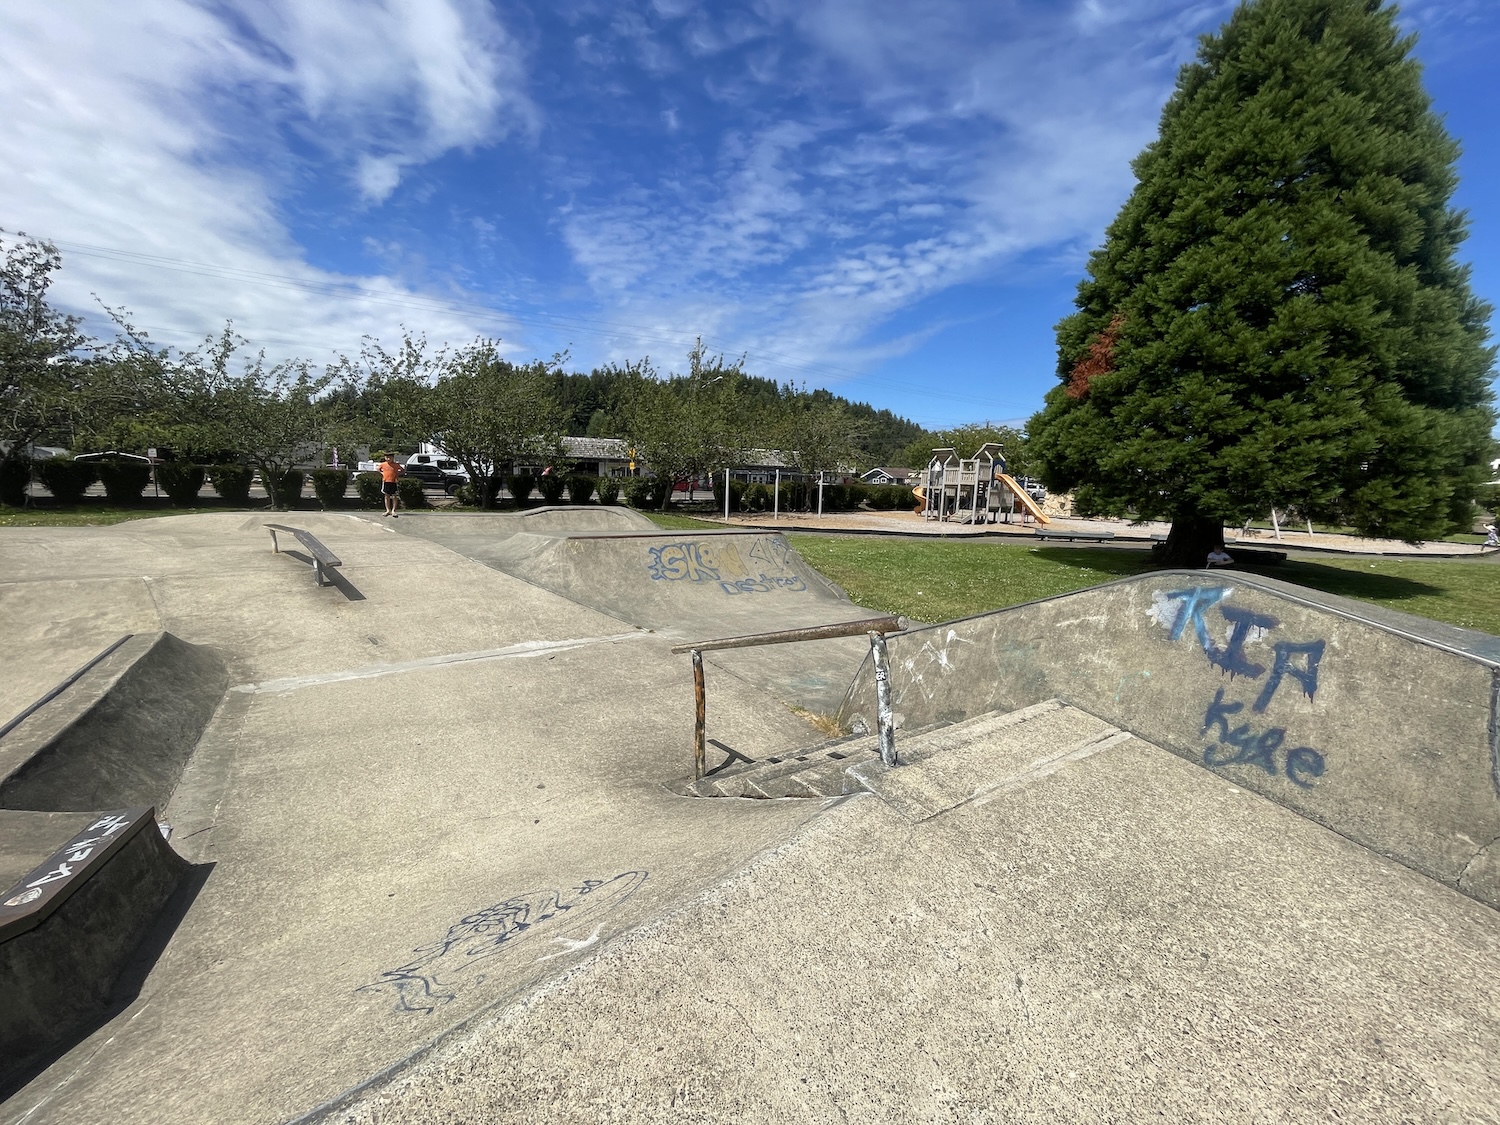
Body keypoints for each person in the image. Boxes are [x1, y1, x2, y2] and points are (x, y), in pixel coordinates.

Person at [380, 453, 402, 518]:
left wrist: (397, 474)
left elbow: (402, 470)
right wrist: (382, 473)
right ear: (385, 458)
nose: (389, 459)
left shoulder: (396, 465)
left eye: (390, 457)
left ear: (393, 458)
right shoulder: (383, 464)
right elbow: (378, 469)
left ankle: (393, 510)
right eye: (387, 457)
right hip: (386, 481)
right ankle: (388, 510)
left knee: (394, 496)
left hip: (393, 481)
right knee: (387, 495)